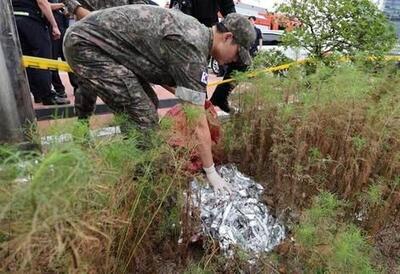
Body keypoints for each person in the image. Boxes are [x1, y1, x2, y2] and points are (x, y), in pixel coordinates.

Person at [63, 6, 255, 192]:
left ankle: (138, 161)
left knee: (149, 103)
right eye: (238, 53)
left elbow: (159, 70)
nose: (235, 60)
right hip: (87, 45)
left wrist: (194, 99)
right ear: (227, 37)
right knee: (144, 116)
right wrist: (211, 171)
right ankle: (145, 181)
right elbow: (198, 124)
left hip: (102, 45)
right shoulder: (192, 47)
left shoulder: (196, 34)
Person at [12, 0, 69, 105]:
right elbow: (42, 2)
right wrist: (54, 25)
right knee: (43, 58)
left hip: (15, 20)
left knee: (28, 60)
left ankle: (38, 94)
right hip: (32, 21)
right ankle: (47, 96)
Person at [49, 0, 70, 98]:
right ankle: (59, 89)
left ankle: (77, 87)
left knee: (69, 59)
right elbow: (46, 5)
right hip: (51, 30)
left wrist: (66, 11)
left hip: (63, 28)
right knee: (52, 61)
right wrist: (61, 5)